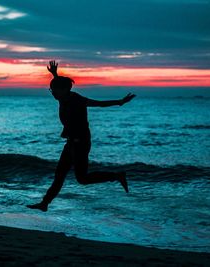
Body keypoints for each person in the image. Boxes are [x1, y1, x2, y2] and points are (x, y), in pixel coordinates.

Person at [27, 60, 135, 212]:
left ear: (65, 90)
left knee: (82, 179)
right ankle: (44, 204)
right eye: (51, 90)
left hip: (81, 143)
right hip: (71, 143)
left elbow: (98, 104)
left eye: (55, 91)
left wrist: (120, 102)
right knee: (59, 176)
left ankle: (117, 176)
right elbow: (61, 85)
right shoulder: (62, 97)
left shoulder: (76, 100)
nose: (53, 94)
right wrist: (55, 74)